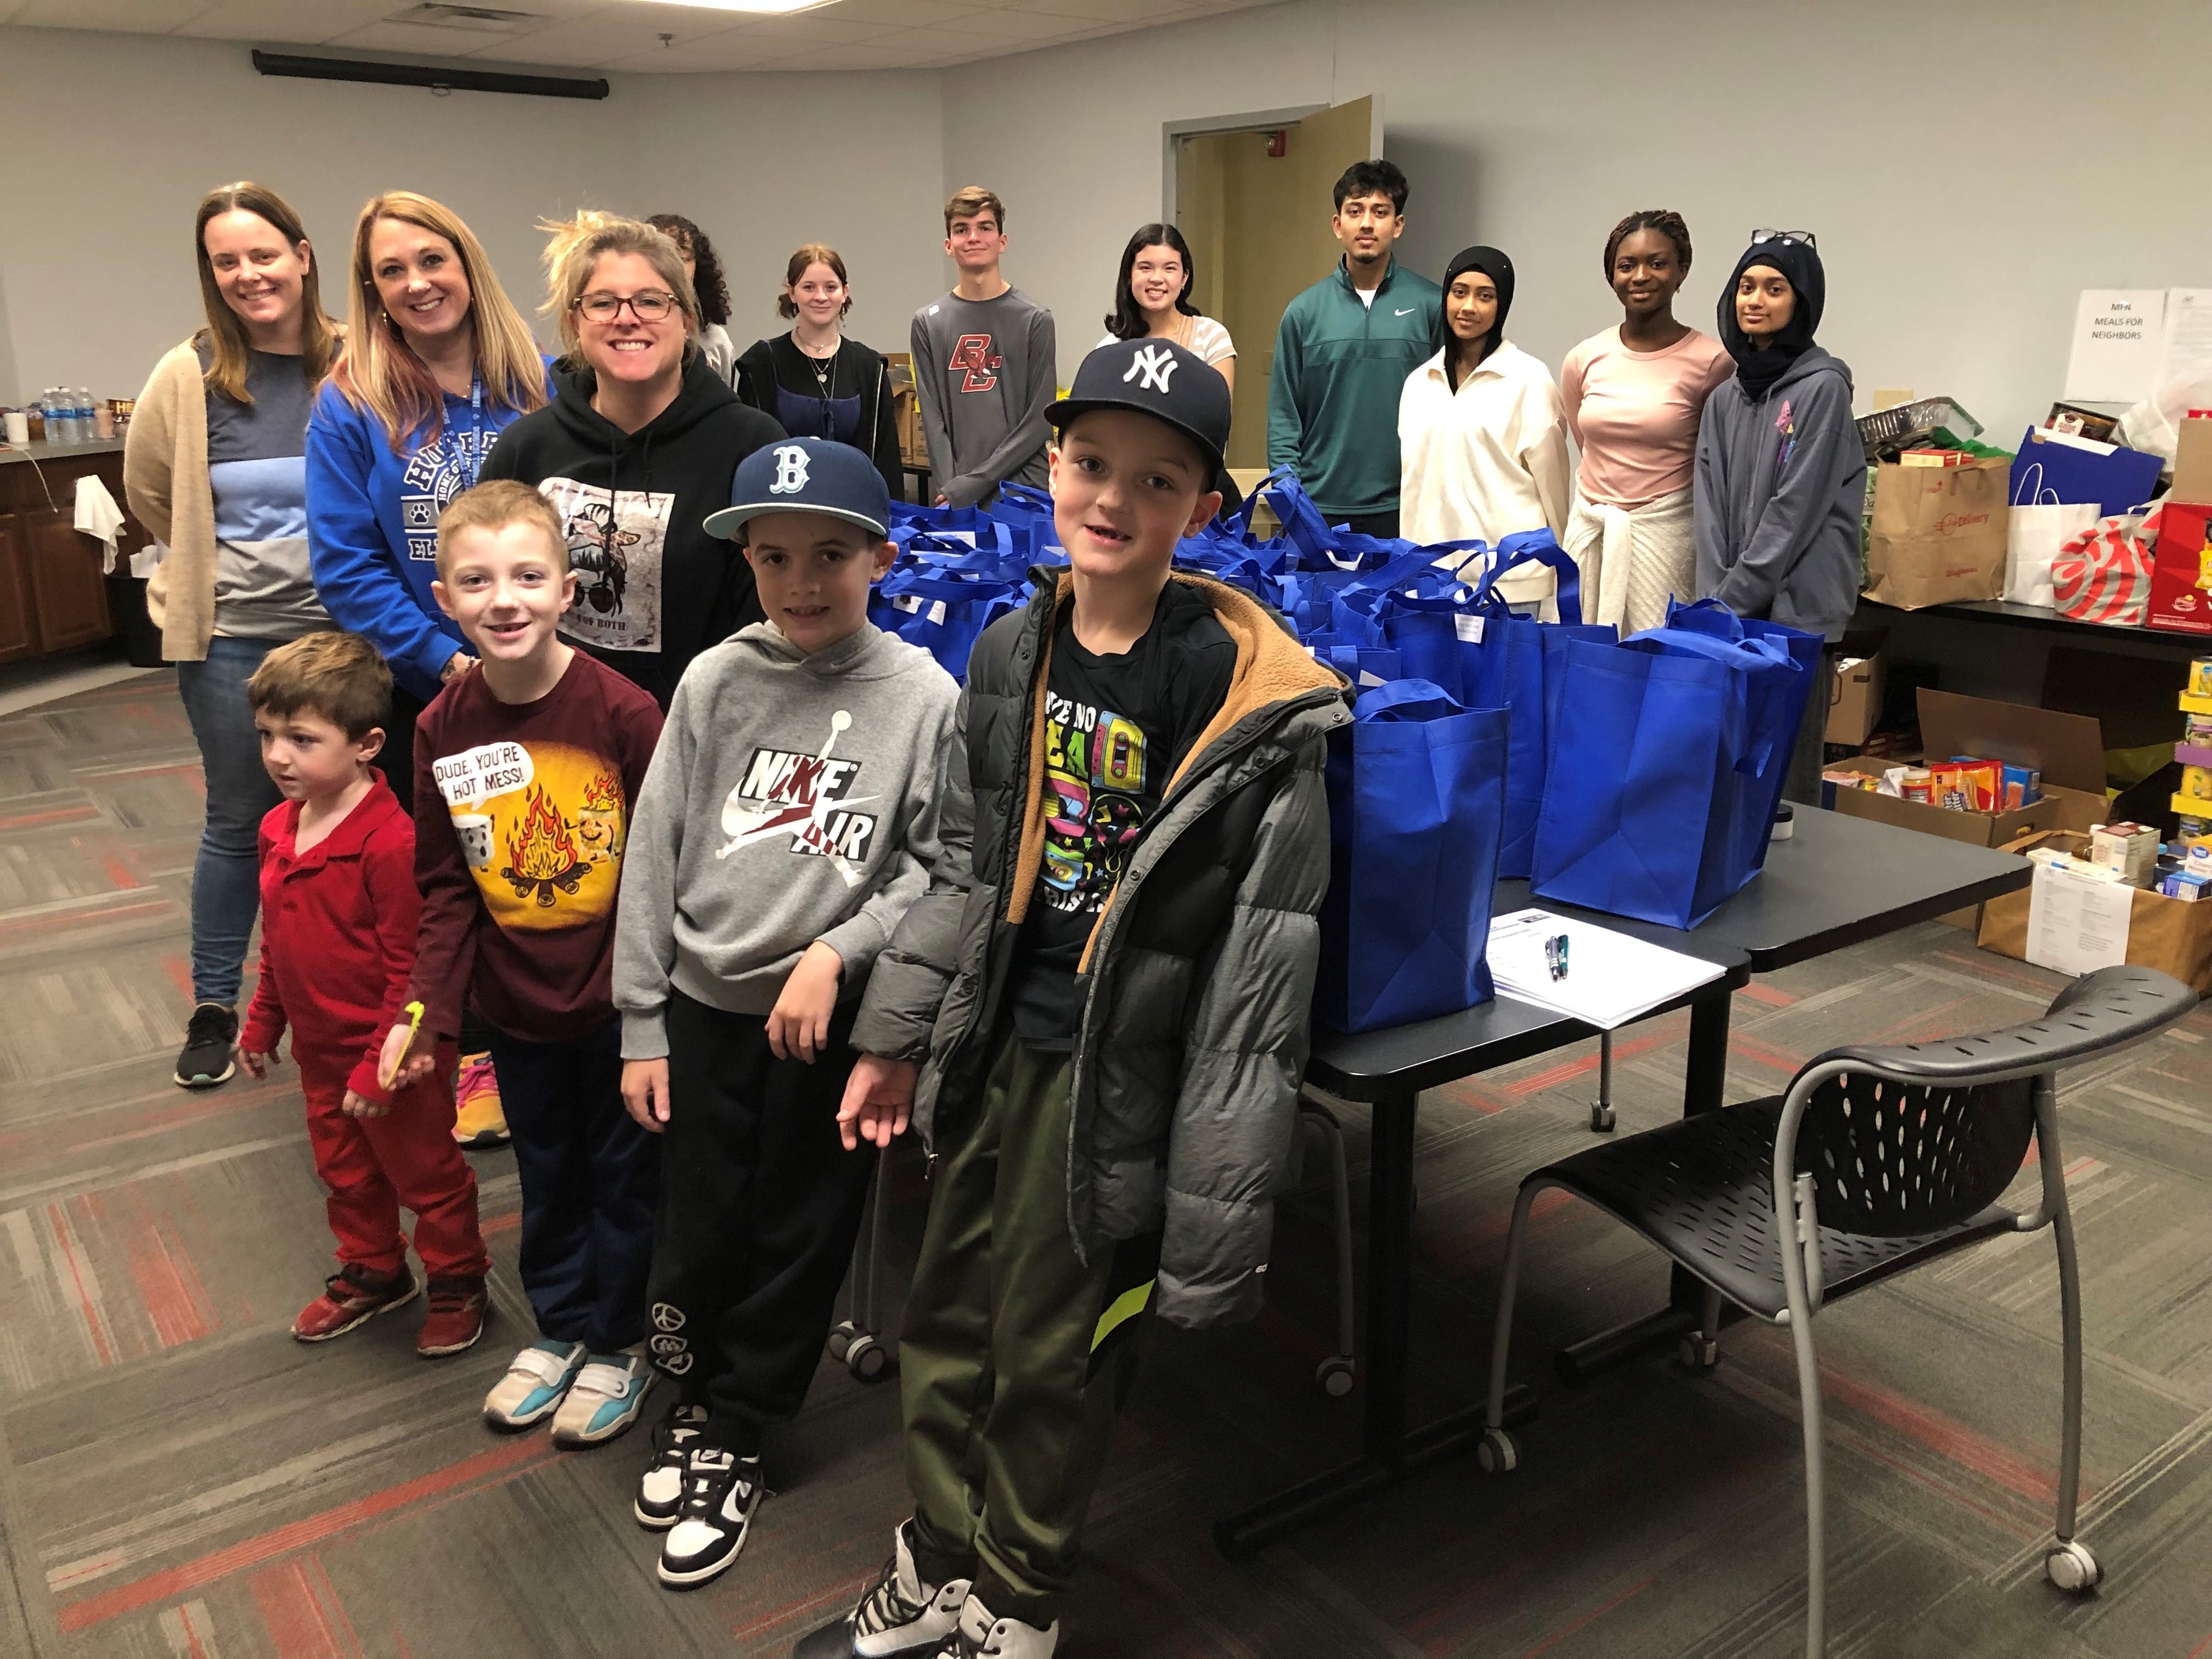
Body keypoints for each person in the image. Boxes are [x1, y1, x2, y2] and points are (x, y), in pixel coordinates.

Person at [795, 339, 1348, 1659]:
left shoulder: (1234, 695)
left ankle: (1016, 1598)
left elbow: (1254, 973)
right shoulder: (1009, 649)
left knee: (1049, 1351)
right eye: (1091, 464)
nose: (1113, 498)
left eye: (1156, 481)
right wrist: (892, 1040)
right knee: (945, 1309)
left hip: (1112, 1065)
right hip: (993, 1037)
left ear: (1201, 510)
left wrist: (1208, 1171)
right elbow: (974, 868)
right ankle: (936, 1559)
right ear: (1050, 467)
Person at [614, 437, 960, 1590]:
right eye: (773, 559)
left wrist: (837, 949)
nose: (802, 582)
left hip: (823, 1027)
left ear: (882, 557)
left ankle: (743, 1427)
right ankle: (700, 1396)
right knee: (702, 1220)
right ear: (748, 564)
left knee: (796, 1234)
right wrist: (641, 1021)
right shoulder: (717, 679)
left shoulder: (925, 697)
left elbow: (931, 865)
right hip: (705, 1010)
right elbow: (654, 853)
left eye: (829, 555)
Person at [383, 481, 665, 1447]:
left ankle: (620, 1338)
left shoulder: (624, 713)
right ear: (444, 596)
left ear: (567, 587)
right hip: (516, 1002)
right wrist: (425, 1013)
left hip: (621, 1005)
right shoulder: (438, 727)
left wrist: (650, 1008)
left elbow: (659, 875)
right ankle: (561, 1325)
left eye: (527, 575)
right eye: (477, 579)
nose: (503, 598)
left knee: (627, 1179)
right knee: (546, 1174)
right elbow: (447, 886)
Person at [307, 189, 552, 1150]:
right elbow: (346, 564)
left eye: (431, 261)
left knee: (543, 859)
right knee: (450, 885)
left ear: (467, 264)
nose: (416, 284)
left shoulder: (538, 383)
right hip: (434, 691)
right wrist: (448, 659)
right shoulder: (351, 403)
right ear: (371, 292)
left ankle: (553, 1028)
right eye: (390, 271)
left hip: (545, 676)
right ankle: (468, 1051)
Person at [124, 181, 342, 1092]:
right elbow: (149, 489)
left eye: (264, 252)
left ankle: (351, 992)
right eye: (227, 260)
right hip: (234, 640)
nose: (249, 273)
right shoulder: (192, 370)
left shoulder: (355, 360)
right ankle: (216, 998)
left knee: (365, 821)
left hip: (347, 638)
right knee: (236, 821)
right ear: (212, 272)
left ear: (301, 254)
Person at [234, 631, 489, 1358]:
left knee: (428, 1175)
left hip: (396, 1057)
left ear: (368, 744)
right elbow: (278, 943)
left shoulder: (390, 843)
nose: (279, 756)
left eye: (302, 739)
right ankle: (376, 1271)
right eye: (268, 735)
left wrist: (382, 1063)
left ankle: (458, 1279)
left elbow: (417, 973)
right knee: (345, 1171)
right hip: (321, 1054)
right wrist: (260, 1027)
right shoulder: (277, 827)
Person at [478, 212, 784, 710]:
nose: (627, 317)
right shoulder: (524, 451)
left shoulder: (751, 447)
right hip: (555, 733)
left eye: (650, 301)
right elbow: (489, 596)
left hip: (700, 732)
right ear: (575, 324)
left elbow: (769, 621)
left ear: (687, 320)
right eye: (602, 303)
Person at [1694, 232, 1865, 806]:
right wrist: (1716, 597)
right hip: (1731, 607)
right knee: (1727, 762)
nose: (1756, 301)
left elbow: (1796, 509)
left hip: (1795, 607)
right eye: (1746, 288)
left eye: (1774, 289)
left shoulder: (1823, 389)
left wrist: (1732, 598)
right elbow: (1709, 504)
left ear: (1802, 303)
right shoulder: (1724, 397)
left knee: (1786, 775)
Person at [1561, 211, 1735, 634]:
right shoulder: (1584, 358)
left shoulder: (1713, 361)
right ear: (1612, 275)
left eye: (1657, 263)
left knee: (1660, 664)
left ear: (1682, 271)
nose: (1641, 276)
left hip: (1668, 536)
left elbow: (1715, 464)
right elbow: (1588, 445)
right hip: (1593, 531)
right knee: (1584, 662)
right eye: (1627, 265)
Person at [1267, 159, 1440, 538]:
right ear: (1337, 225)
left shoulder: (1432, 305)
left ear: (1398, 225)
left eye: (1380, 212)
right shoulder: (1303, 312)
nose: (1366, 223)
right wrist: (1290, 499)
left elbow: (1451, 409)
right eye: (1355, 211)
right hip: (1317, 509)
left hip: (1407, 508)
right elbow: (1284, 415)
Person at [1398, 245, 1571, 612]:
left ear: (1502, 304)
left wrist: (1558, 569)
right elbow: (1413, 484)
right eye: (1459, 292)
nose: (1468, 307)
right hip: (1433, 582)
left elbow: (1554, 490)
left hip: (1510, 584)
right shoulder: (1418, 383)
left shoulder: (1529, 379)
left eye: (1485, 296)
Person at [910, 186, 1055, 508]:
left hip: (1024, 489)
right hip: (956, 491)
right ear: (949, 245)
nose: (973, 237)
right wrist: (953, 488)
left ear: (1002, 241)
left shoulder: (1035, 319)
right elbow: (932, 419)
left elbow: (1039, 421)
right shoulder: (928, 323)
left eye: (985, 227)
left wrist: (973, 485)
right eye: (962, 229)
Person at [734, 244, 904, 503]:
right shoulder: (760, 365)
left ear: (845, 293)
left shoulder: (869, 367)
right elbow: (748, 455)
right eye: (809, 287)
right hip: (782, 512)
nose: (821, 297)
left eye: (831, 287)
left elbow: (886, 458)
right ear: (792, 293)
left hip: (854, 513)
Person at [1095, 223, 1234, 395]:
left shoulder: (1211, 337)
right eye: (1145, 267)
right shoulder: (1108, 349)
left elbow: (1218, 416)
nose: (1156, 278)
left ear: (1184, 278)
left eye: (1170, 268)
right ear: (1129, 275)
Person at [645, 213, 737, 386]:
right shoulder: (626, 331)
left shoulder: (716, 342)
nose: (675, 267)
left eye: (683, 258)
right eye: (665, 257)